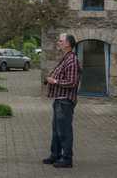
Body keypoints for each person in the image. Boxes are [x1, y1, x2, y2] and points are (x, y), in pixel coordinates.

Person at [43, 33, 80, 168]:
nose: (58, 42)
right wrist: (49, 79)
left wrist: (55, 81)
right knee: (56, 130)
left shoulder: (72, 60)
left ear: (68, 44)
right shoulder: (65, 58)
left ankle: (67, 159)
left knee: (64, 131)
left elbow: (72, 82)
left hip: (65, 101)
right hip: (59, 100)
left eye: (61, 41)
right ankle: (55, 155)